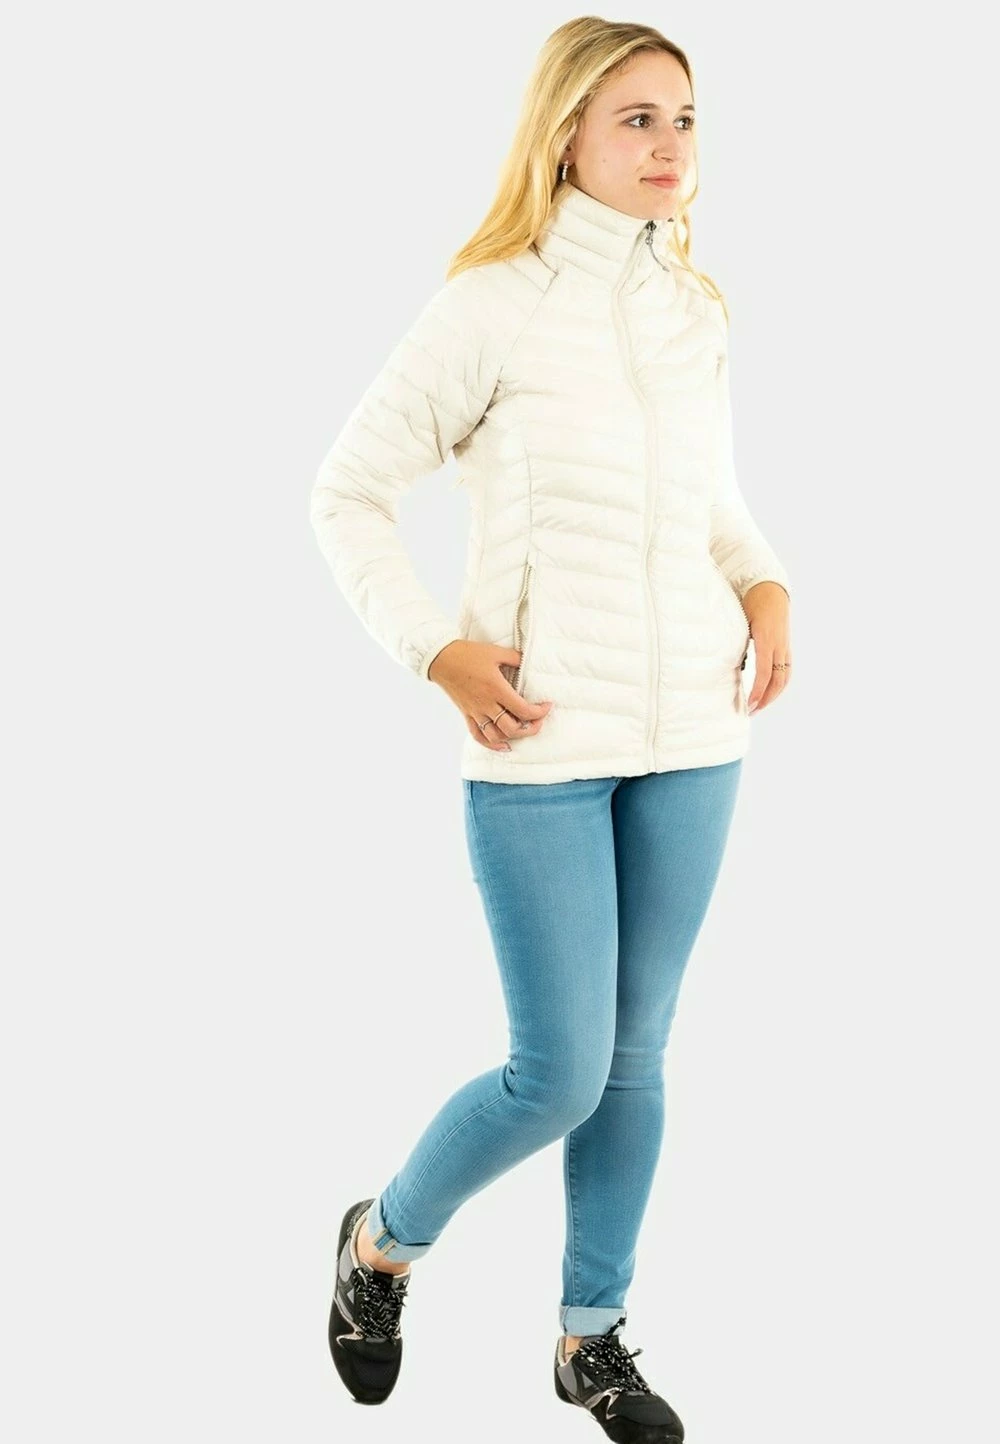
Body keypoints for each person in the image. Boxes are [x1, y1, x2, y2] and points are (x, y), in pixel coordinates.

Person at [311, 17, 792, 1441]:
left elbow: (709, 503)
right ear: (565, 134)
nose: (669, 145)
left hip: (695, 735)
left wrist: (766, 583)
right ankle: (380, 1244)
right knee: (558, 1072)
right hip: (540, 746)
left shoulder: (693, 309)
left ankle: (592, 1340)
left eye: (685, 119)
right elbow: (348, 491)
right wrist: (436, 649)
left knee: (638, 1060)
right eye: (636, 118)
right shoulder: (489, 307)